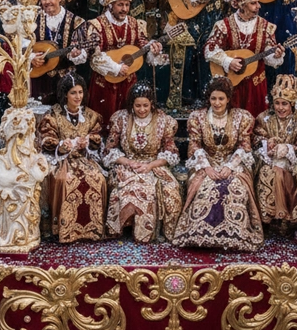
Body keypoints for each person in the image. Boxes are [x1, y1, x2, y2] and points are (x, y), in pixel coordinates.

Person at [173, 76, 263, 252]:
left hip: (234, 164)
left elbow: (244, 147)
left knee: (234, 188)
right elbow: (194, 146)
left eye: (221, 98)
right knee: (207, 188)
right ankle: (201, 235)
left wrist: (230, 167)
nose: (217, 103)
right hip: (206, 164)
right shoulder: (197, 117)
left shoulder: (241, 117)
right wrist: (207, 167)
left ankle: (235, 235)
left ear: (228, 99)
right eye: (213, 98)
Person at [103, 82, 182, 243]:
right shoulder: (121, 119)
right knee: (132, 187)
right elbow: (108, 150)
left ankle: (146, 232)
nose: (142, 109)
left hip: (153, 165)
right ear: (132, 104)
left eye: (146, 105)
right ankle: (126, 227)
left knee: (170, 189)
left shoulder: (164, 121)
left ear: (151, 104)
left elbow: (171, 151)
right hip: (127, 165)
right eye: (137, 105)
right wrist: (128, 162)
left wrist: (150, 166)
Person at [38, 74, 106, 243]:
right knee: (64, 180)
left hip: (84, 159)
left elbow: (97, 138)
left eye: (80, 92)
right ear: (65, 95)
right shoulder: (53, 115)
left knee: (98, 179)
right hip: (63, 161)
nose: (78, 97)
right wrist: (61, 146)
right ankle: (63, 229)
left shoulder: (90, 115)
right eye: (73, 93)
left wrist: (88, 142)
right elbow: (46, 140)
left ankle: (92, 229)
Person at [85, 0, 163, 128]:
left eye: (127, 5)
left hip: (128, 82)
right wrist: (115, 67)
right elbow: (95, 57)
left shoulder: (135, 23)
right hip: (105, 85)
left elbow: (142, 44)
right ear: (110, 5)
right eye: (120, 5)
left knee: (128, 123)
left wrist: (153, 49)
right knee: (103, 122)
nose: (124, 9)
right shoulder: (97, 25)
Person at [204, 0, 284, 119]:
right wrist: (228, 61)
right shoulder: (224, 25)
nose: (258, 6)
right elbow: (209, 49)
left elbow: (270, 56)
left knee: (256, 120)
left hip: (256, 85)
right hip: (231, 84)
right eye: (253, 3)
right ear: (242, 6)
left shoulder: (266, 26)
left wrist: (276, 55)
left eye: (258, 2)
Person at [253, 75, 297, 233]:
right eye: (277, 103)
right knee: (269, 172)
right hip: (269, 162)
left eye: (284, 104)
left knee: (285, 173)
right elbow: (256, 139)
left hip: (292, 163)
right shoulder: (264, 118)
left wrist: (289, 148)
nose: (280, 108)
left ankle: (288, 217)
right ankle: (269, 218)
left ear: (292, 103)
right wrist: (267, 144)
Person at [29, 0, 87, 106]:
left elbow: (83, 52)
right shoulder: (32, 20)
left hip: (66, 79)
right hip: (40, 77)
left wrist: (77, 55)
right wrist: (31, 57)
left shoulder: (76, 21)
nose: (47, 1)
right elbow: (23, 45)